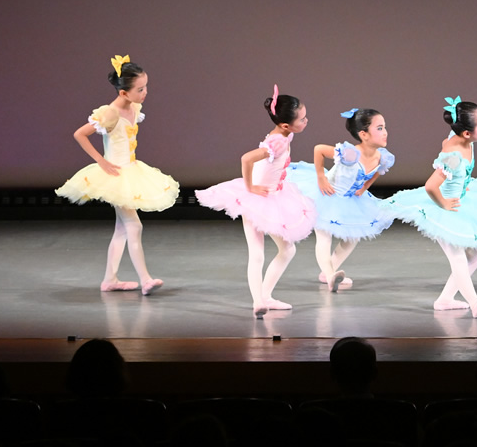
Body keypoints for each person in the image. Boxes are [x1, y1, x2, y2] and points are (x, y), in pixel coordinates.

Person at [56, 55, 178, 295]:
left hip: (131, 170)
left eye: (146, 87)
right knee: (134, 225)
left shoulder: (134, 107)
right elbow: (80, 134)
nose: (145, 93)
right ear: (124, 93)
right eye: (140, 89)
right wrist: (101, 161)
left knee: (122, 230)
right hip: (116, 176)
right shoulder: (110, 113)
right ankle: (145, 279)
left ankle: (109, 279)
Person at [386, 98, 477, 317]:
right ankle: (474, 302)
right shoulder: (453, 157)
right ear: (467, 133)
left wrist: (462, 184)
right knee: (458, 257)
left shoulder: (465, 139)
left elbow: (450, 147)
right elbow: (431, 186)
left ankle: (445, 299)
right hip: (443, 209)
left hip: (460, 202)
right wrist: (444, 203)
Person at [196, 85, 315, 318]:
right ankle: (259, 300)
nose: (306, 121)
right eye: (302, 119)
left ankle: (265, 297)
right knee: (259, 253)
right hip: (257, 200)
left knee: (286, 249)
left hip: (273, 197)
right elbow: (247, 158)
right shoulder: (278, 142)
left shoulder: (284, 135)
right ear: (285, 125)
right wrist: (250, 187)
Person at [286, 108, 394, 292]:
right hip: (327, 195)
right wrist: (321, 177)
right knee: (324, 236)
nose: (385, 132)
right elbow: (319, 149)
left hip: (350, 199)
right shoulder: (349, 153)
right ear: (363, 134)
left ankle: (329, 271)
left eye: (384, 127)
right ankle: (330, 276)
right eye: (379, 128)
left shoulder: (383, 157)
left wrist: (364, 187)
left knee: (353, 237)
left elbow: (376, 173)